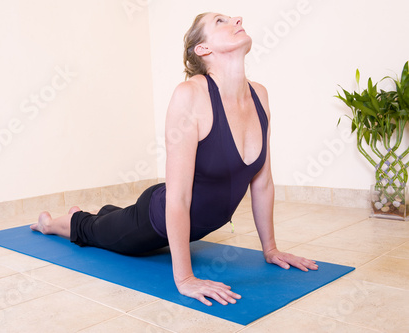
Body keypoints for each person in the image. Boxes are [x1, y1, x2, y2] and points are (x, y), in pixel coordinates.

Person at [30, 12, 318, 307]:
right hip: (155, 219)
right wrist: (184, 279)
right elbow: (178, 197)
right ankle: (50, 223)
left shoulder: (260, 95)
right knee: (93, 232)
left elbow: (263, 183)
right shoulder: (189, 96)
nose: (237, 19)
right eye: (220, 21)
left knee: (114, 219)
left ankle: (106, 214)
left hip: (191, 221)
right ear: (203, 49)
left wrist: (270, 249)